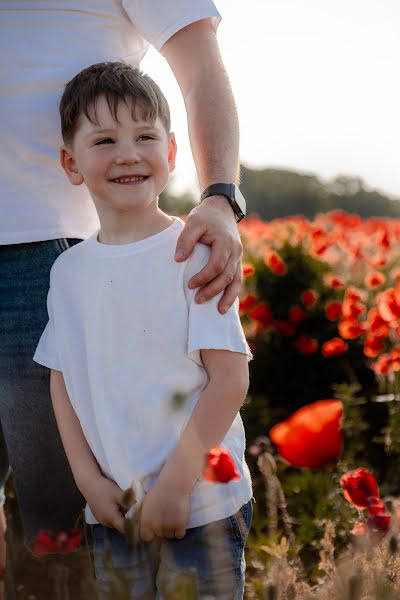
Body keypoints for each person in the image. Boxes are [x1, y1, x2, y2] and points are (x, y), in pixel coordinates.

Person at [0, 2, 246, 594]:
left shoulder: (189, 254)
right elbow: (62, 377)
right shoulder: (74, 274)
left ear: (171, 153)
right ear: (73, 161)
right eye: (105, 140)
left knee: (50, 531)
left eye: (143, 137)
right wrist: (89, 481)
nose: (128, 153)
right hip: (108, 507)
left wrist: (174, 486)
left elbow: (230, 378)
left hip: (198, 506)